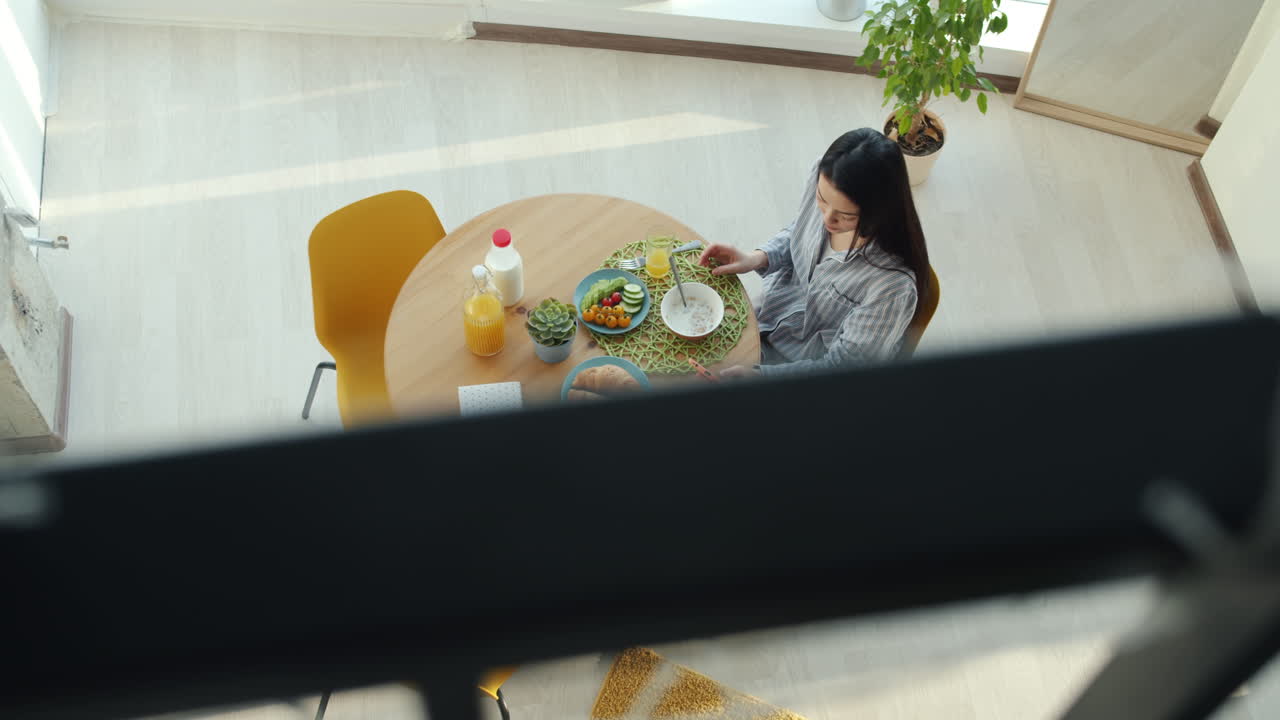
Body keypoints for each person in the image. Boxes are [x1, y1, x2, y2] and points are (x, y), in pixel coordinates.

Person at [699, 129, 932, 378]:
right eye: (822, 200)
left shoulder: (891, 288)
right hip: (770, 314)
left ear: (879, 212)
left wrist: (759, 377)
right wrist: (755, 258)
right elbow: (799, 231)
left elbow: (845, 370)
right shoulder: (824, 176)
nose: (827, 218)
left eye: (846, 215)